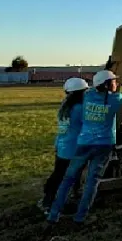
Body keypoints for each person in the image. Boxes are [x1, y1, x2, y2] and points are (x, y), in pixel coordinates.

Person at [47, 69, 122, 225]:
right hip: (104, 145)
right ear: (106, 85)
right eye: (113, 81)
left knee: (68, 179)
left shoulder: (87, 96)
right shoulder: (114, 99)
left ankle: (53, 214)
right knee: (92, 182)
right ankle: (80, 217)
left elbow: (83, 91)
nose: (116, 83)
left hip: (84, 143)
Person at [39, 78, 88, 214]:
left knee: (58, 174)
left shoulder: (65, 107)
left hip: (61, 146)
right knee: (64, 177)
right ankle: (51, 204)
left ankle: (49, 200)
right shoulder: (79, 109)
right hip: (73, 148)